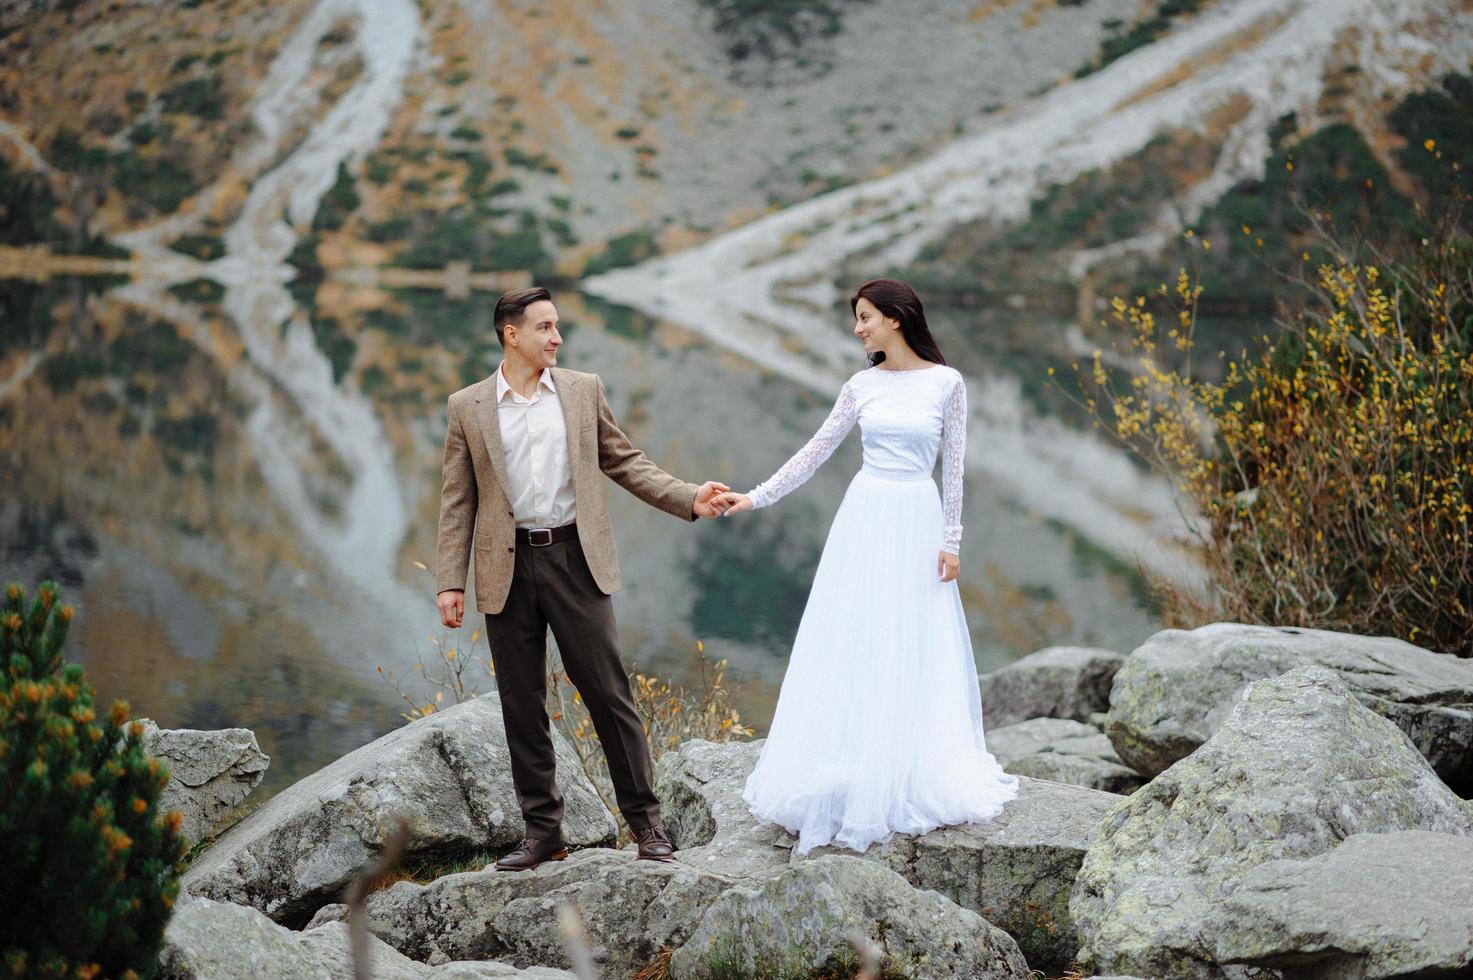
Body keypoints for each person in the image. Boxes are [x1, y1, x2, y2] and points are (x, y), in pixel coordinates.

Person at [711, 278, 1019, 855]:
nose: (858, 329)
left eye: (865, 317)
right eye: (857, 318)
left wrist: (952, 539)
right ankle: (849, 762)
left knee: (911, 636)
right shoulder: (861, 386)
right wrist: (757, 496)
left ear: (896, 319)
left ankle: (903, 767)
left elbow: (954, 467)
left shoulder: (946, 383)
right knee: (854, 634)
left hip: (916, 516)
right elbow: (815, 450)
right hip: (866, 516)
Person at [434, 286, 731, 870]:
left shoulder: (581, 390)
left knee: (607, 694)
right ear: (511, 334)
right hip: (505, 567)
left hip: (575, 559)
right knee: (522, 703)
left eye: (558, 326)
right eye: (545, 327)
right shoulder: (466, 406)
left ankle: (647, 827)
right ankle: (543, 833)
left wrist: (689, 498)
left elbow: (624, 460)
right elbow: (457, 500)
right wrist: (451, 581)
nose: (557, 337)